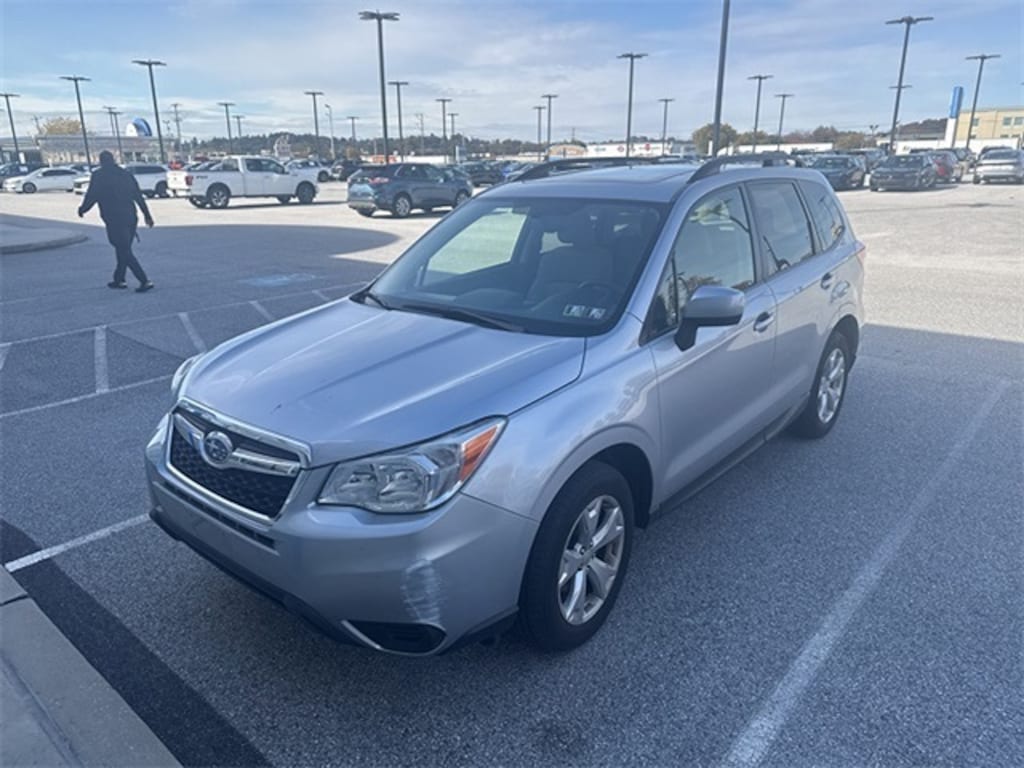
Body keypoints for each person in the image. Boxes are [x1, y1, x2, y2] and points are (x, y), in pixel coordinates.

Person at [77, 150, 155, 292]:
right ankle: (119, 279)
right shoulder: (125, 174)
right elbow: (138, 196)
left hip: (113, 218)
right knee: (123, 248)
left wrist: (83, 209)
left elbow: (92, 195)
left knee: (123, 250)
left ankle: (144, 280)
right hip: (131, 217)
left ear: (101, 161)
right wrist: (147, 215)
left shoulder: (99, 176)